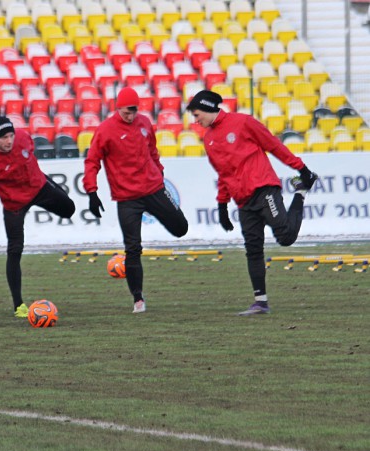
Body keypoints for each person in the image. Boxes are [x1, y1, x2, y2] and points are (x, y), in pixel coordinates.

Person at [186, 90, 318, 316]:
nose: (195, 120)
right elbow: (223, 173)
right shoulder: (208, 139)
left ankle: (301, 191)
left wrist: (301, 168)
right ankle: (260, 302)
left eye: (197, 114)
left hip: (264, 188)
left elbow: (273, 145)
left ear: (207, 108)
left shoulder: (243, 122)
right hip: (243, 201)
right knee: (253, 250)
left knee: (286, 237)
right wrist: (222, 205)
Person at [83, 87, 189, 314]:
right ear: (118, 108)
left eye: (133, 112)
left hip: (153, 189)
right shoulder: (105, 130)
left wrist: (159, 172)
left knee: (181, 228)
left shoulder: (144, 123)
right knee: (132, 248)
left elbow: (153, 151)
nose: (130, 116)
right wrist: (92, 192)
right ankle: (138, 299)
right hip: (127, 198)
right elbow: (92, 161)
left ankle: (167, 215)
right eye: (126, 112)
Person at [0, 115, 76, 318]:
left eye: (11, 135)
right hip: (14, 204)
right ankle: (18, 305)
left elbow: (30, 152)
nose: (9, 140)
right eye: (4, 137)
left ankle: (48, 184)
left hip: (39, 187)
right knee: (15, 251)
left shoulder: (23, 137)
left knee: (69, 209)